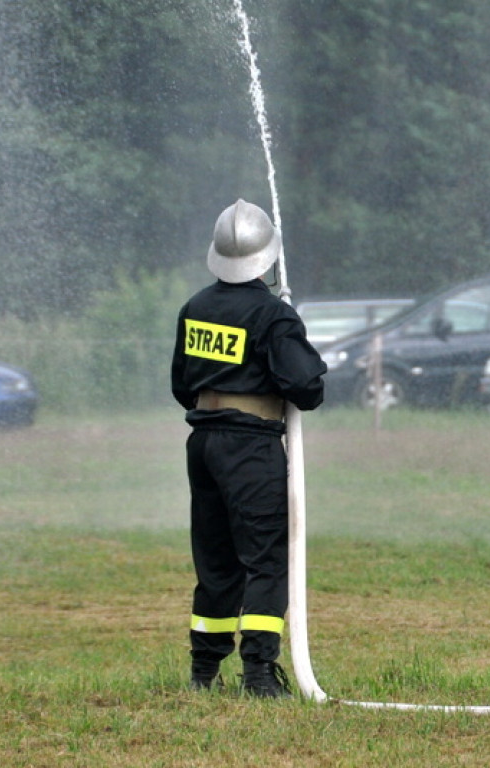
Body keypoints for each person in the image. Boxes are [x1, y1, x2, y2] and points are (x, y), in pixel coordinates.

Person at [171, 199, 327, 697]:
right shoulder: (271, 314)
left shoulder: (195, 307)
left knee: (215, 559)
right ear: (269, 256)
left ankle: (203, 672)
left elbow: (181, 385)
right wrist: (290, 332)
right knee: (265, 558)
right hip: (251, 446)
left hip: (203, 443)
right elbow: (308, 389)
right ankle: (259, 672)